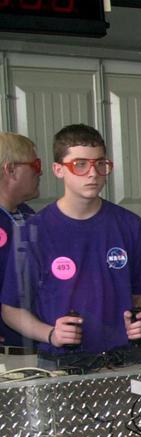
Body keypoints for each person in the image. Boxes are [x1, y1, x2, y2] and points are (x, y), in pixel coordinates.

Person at [1, 124, 141, 365]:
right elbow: (11, 310)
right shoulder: (34, 232)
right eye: (80, 165)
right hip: (61, 364)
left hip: (123, 361)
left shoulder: (131, 226)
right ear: (58, 170)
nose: (93, 173)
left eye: (100, 164)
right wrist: (51, 334)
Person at [0, 132, 40, 353]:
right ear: (10, 170)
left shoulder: (30, 217)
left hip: (38, 343)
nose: (40, 172)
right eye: (35, 165)